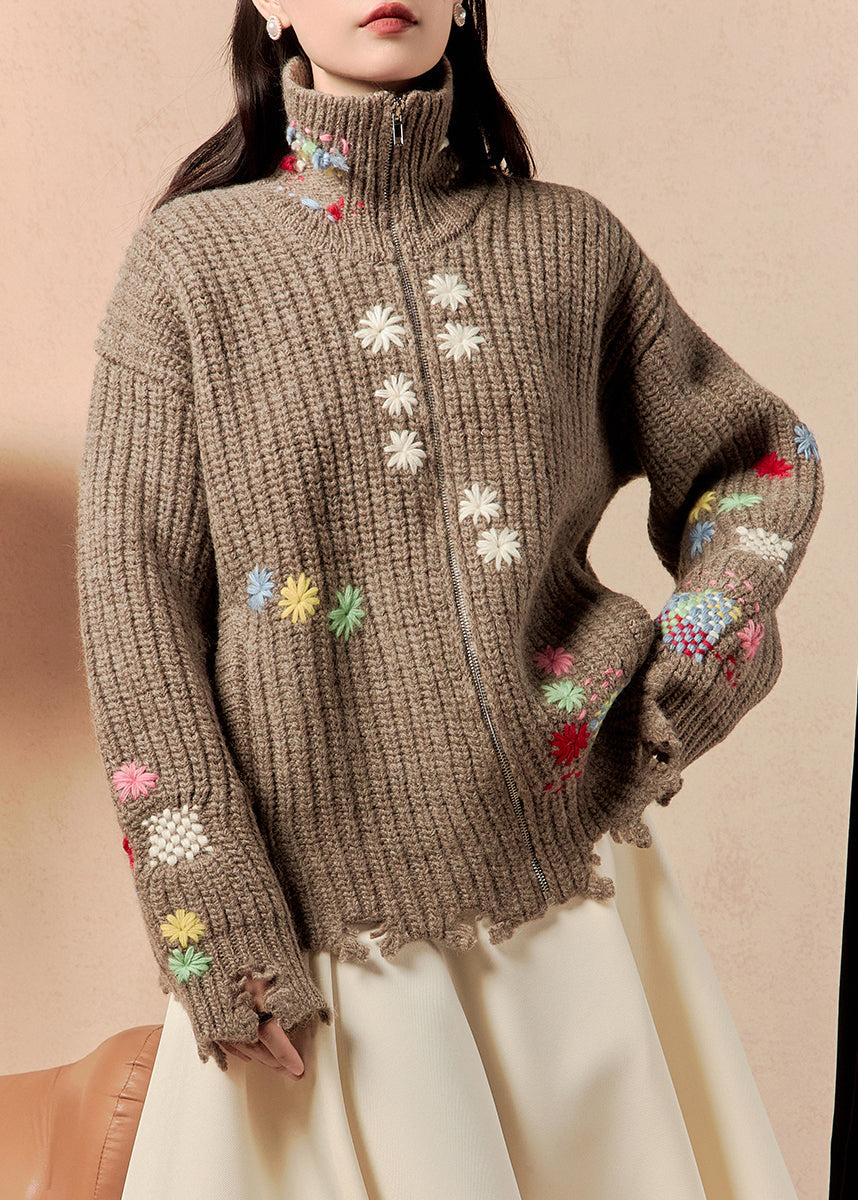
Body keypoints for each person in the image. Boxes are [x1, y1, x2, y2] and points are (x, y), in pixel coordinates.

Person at [75, 2, 822, 1197]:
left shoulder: (573, 246)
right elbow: (135, 610)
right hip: (320, 950)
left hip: (575, 912)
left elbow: (759, 460)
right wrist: (217, 929)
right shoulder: (188, 267)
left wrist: (692, 661)